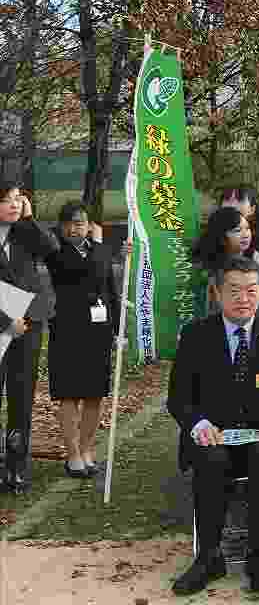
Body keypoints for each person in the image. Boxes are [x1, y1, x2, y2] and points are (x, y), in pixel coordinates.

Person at [167, 256, 259, 596]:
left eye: (252, 290)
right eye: (235, 291)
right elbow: (179, 397)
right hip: (214, 436)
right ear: (217, 293)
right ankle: (209, 557)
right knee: (211, 461)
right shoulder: (196, 335)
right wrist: (198, 424)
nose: (244, 298)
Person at [43, 202, 120, 479]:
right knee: (68, 394)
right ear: (62, 227)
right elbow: (79, 271)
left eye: (80, 222)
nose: (75, 228)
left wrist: (116, 329)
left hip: (97, 332)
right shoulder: (55, 253)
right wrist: (99, 246)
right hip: (67, 330)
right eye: (70, 223)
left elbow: (109, 288)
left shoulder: (99, 250)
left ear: (89, 225)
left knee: (94, 394)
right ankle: (72, 453)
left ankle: (87, 449)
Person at [0, 182, 58, 493]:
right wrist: (8, 321)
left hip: (29, 324)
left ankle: (16, 467)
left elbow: (51, 249)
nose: (13, 205)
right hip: (4, 323)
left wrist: (28, 218)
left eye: (17, 200)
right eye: (6, 200)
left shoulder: (25, 231)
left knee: (21, 397)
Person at [193, 207, 256, 316]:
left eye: (247, 228)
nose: (246, 234)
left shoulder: (249, 263)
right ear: (221, 237)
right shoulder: (214, 272)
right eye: (237, 230)